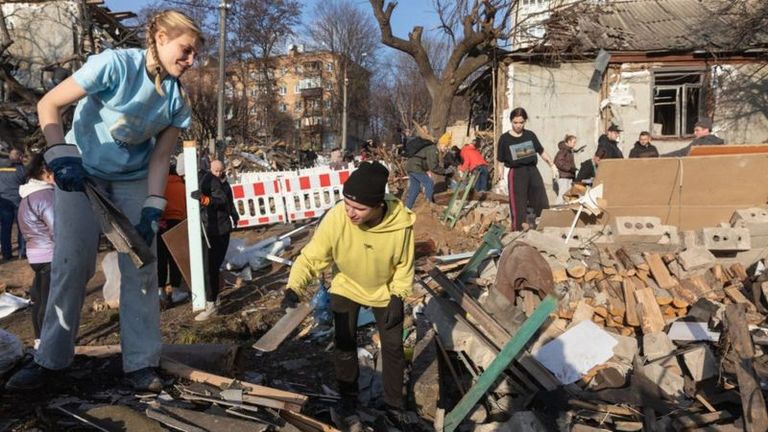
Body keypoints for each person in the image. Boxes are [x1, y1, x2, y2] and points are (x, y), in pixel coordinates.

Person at [5, 10, 203, 392]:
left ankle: (140, 364)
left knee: (141, 267)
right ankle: (50, 361)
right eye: (186, 50)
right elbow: (49, 105)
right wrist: (60, 155)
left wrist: (153, 205)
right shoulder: (114, 65)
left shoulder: (177, 101)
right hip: (81, 173)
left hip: (131, 179)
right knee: (71, 263)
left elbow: (161, 157)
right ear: (160, 36)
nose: (191, 61)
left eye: (195, 54)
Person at [283, 161, 415, 431]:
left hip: (385, 289)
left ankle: (393, 405)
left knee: (392, 347)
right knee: (344, 344)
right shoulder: (337, 218)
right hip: (346, 284)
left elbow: (404, 265)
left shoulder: (401, 225)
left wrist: (398, 295)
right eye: (346, 204)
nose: (350, 212)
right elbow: (311, 257)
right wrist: (293, 288)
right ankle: (348, 399)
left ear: (378, 206)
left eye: (359, 208)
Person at [191, 160, 239, 321]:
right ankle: (214, 298)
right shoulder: (210, 180)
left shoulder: (218, 183)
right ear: (210, 168)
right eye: (216, 171)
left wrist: (205, 200)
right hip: (214, 228)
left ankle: (211, 304)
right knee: (211, 266)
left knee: (211, 266)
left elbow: (225, 201)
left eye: (221, 171)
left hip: (217, 230)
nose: (219, 173)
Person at [16, 153, 55, 348]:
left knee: (39, 299)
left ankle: (39, 339)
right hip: (50, 254)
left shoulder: (27, 196)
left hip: (35, 254)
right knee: (48, 301)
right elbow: (58, 228)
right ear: (45, 172)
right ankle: (48, 343)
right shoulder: (46, 195)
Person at [496, 107, 556, 231]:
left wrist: (552, 165)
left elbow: (541, 151)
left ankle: (542, 228)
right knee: (518, 204)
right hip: (517, 173)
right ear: (511, 121)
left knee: (541, 200)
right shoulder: (505, 139)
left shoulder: (530, 135)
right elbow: (500, 160)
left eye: (521, 122)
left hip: (533, 171)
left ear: (525, 121)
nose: (518, 125)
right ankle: (518, 231)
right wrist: (500, 178)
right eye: (515, 122)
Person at [157, 161, 187, 308]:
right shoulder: (182, 186)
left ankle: (160, 291)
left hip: (162, 223)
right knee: (175, 259)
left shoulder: (160, 186)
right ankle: (175, 290)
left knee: (161, 258)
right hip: (177, 223)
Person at [404, 137, 444, 209]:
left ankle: (407, 208)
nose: (446, 148)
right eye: (445, 146)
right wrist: (445, 171)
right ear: (441, 144)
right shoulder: (433, 149)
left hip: (410, 166)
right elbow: (433, 167)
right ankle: (429, 205)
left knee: (415, 188)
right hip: (416, 166)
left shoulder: (428, 147)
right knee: (429, 183)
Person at [0, 149, 25, 261]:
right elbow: (26, 182)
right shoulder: (21, 169)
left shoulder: (1, 167)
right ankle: (22, 252)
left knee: (5, 228)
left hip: (4, 201)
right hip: (18, 201)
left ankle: (6, 254)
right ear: (19, 157)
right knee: (21, 227)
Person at [553, 135, 577, 204]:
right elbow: (558, 162)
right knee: (562, 195)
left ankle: (564, 212)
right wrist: (570, 168)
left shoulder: (569, 151)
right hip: (563, 177)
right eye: (574, 142)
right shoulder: (563, 150)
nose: (575, 144)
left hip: (568, 176)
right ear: (568, 142)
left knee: (567, 196)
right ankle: (555, 211)